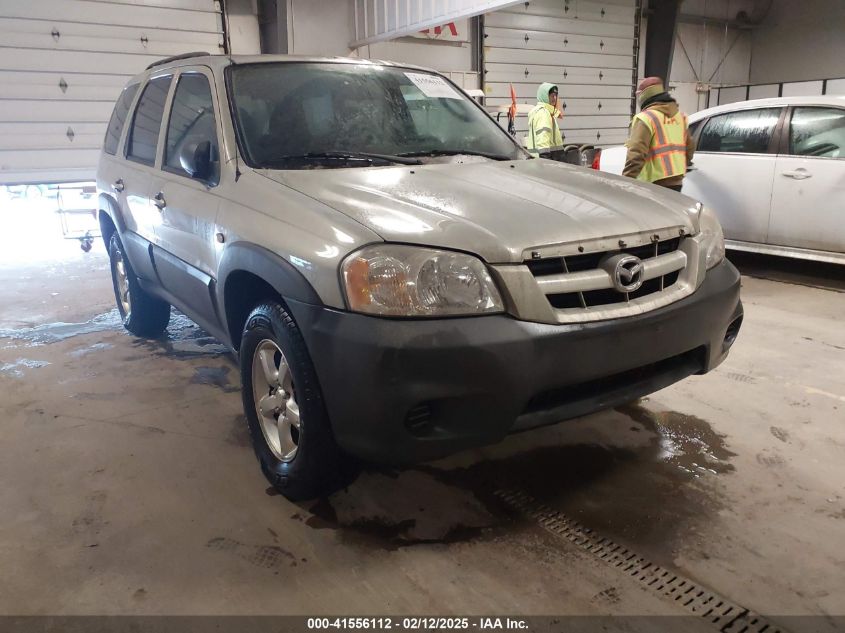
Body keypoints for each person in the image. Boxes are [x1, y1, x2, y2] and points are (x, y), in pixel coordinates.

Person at [622, 77, 695, 191]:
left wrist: (626, 181)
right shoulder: (681, 117)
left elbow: (636, 154)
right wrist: (685, 164)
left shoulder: (646, 118)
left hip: (654, 182)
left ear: (644, 96)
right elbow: (689, 147)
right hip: (677, 180)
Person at [527, 82, 563, 155]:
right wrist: (545, 158)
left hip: (539, 158)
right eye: (552, 96)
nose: (555, 98)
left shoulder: (547, 111)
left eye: (555, 95)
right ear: (545, 96)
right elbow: (543, 137)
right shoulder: (543, 113)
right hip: (546, 159)